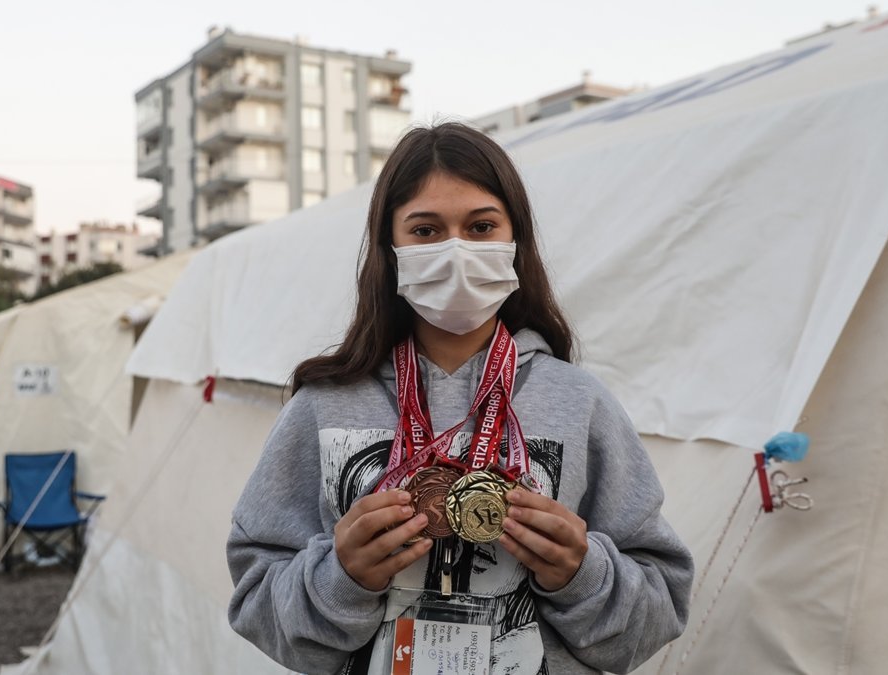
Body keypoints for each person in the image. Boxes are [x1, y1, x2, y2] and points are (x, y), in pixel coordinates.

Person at [227, 122, 693, 675]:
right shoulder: (323, 407)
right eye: (426, 230)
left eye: (481, 226)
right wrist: (340, 579)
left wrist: (582, 574)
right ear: (390, 248)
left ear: (515, 242)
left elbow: (661, 606)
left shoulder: (580, 403)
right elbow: (255, 597)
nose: (456, 250)